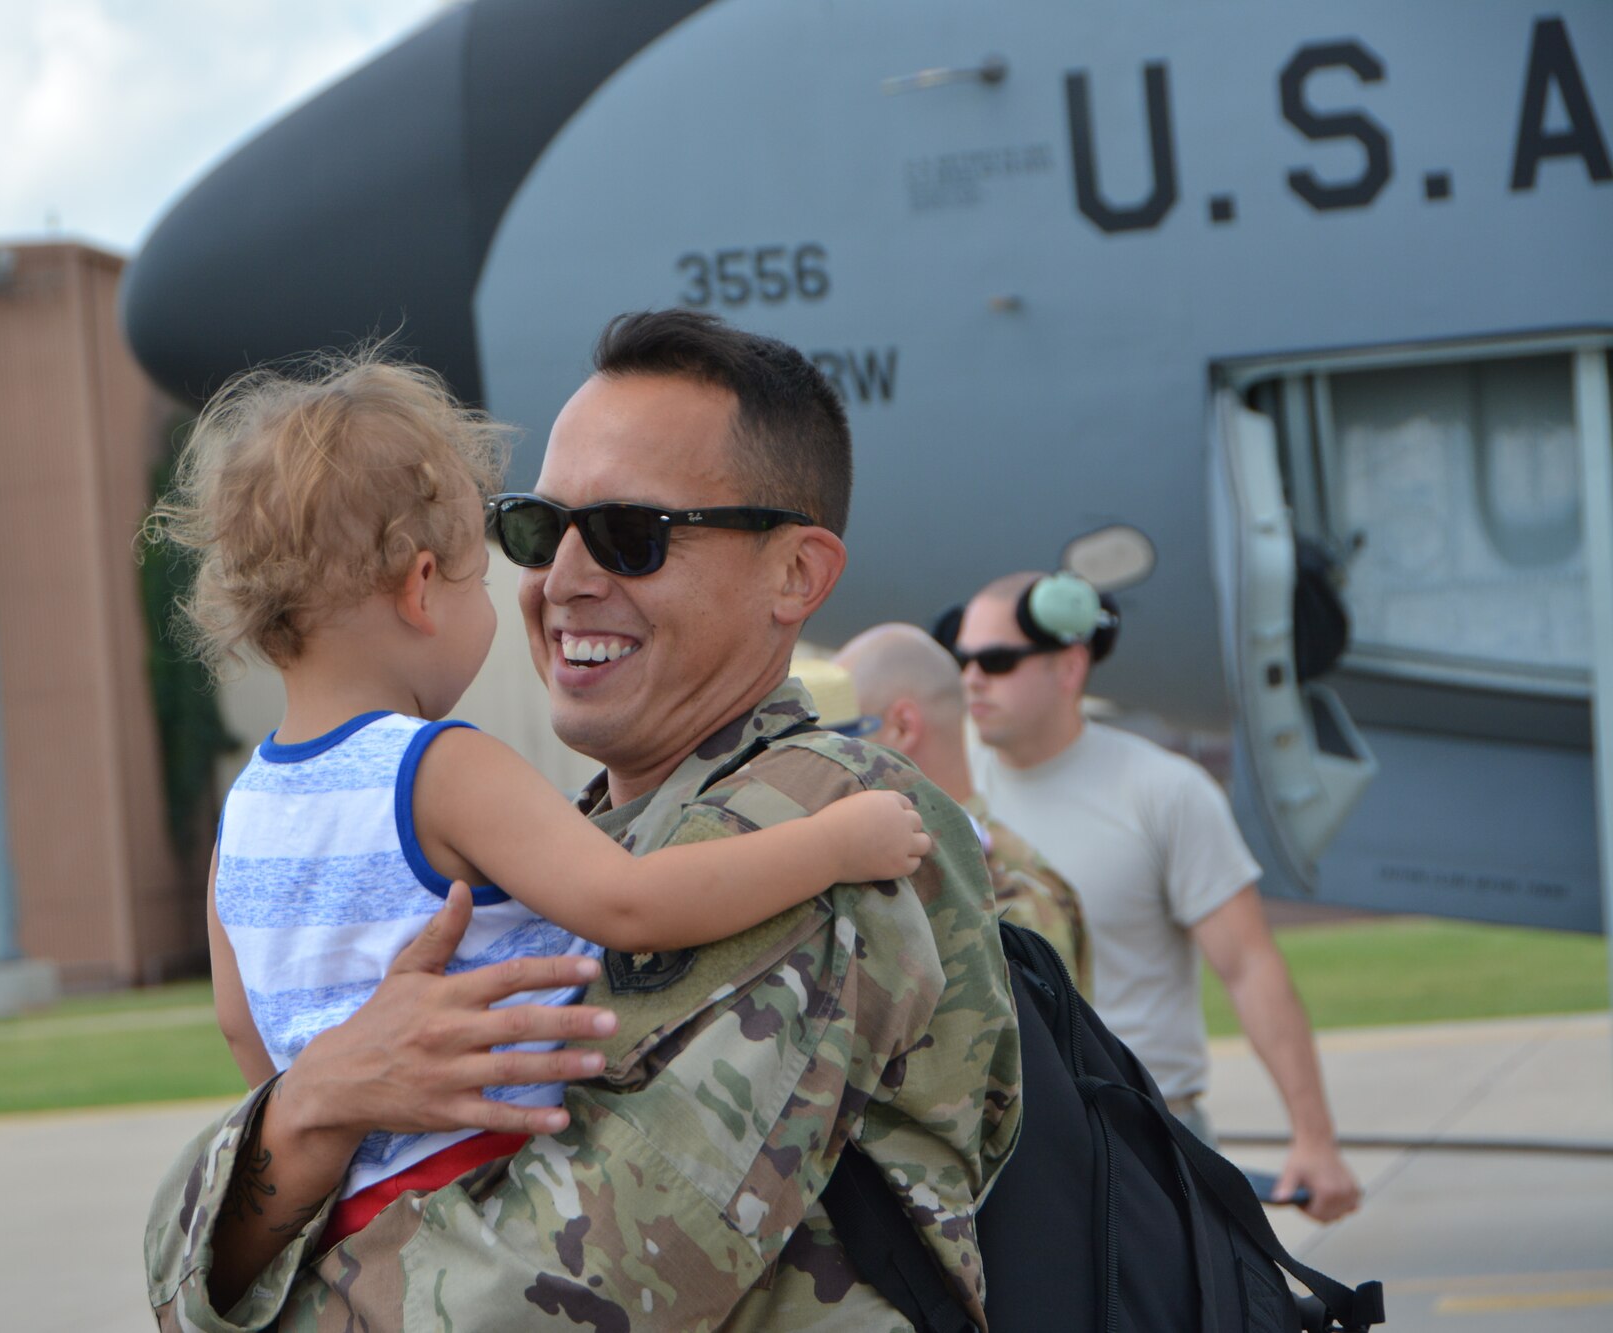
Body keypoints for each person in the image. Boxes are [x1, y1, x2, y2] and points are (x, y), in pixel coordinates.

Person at [144, 311, 1021, 1330]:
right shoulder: (542, 835)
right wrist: (315, 1103)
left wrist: (290, 1142)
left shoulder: (816, 828)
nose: (558, 578)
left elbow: (558, 1293)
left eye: (627, 534)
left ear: (796, 575)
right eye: (530, 528)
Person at [943, 570, 1361, 1223]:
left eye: (996, 660)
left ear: (1070, 667)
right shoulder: (943, 789)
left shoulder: (1164, 790)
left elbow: (1249, 967)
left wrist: (1315, 1138)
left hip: (1149, 1147)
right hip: (1003, 1157)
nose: (971, 677)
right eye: (962, 658)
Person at [819, 627, 1093, 995]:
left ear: (903, 727)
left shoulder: (1009, 892)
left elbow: (1031, 1048)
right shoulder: (892, 858)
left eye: (839, 736)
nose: (825, 758)